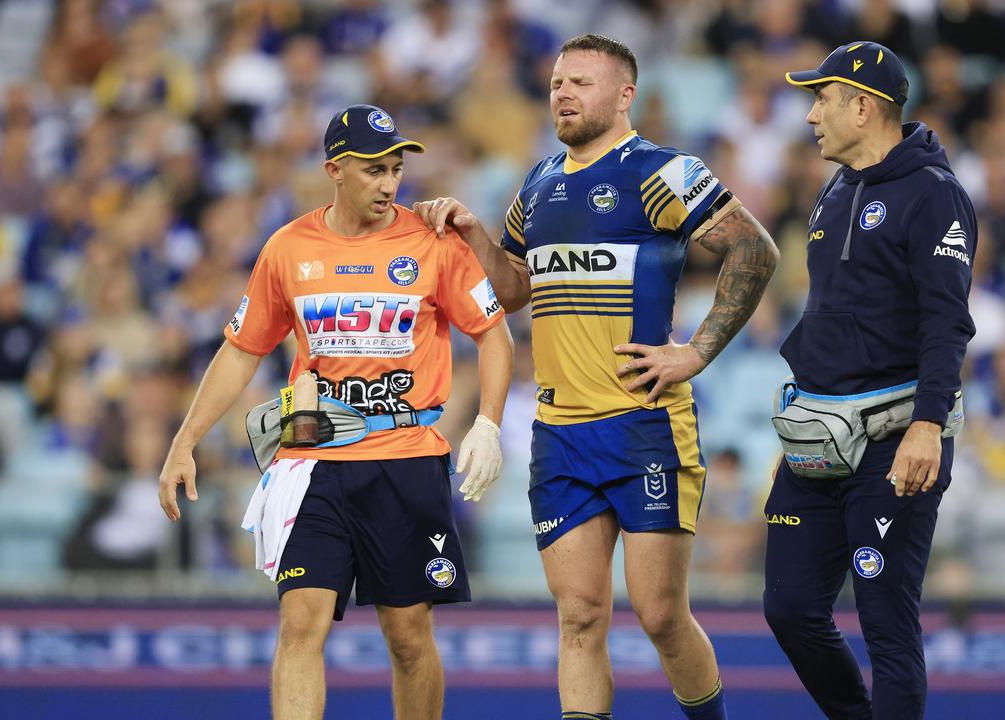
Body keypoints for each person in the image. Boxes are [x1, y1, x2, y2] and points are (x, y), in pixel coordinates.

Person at [415, 34, 778, 720]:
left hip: (645, 425)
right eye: (556, 82)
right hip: (561, 434)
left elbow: (754, 250)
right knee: (579, 617)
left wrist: (696, 351)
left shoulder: (663, 171)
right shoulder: (539, 182)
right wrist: (473, 234)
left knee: (661, 615)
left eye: (580, 82)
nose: (563, 93)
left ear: (623, 95)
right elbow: (515, 287)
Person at [157, 104, 513, 720]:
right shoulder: (288, 247)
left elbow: (494, 334)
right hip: (311, 459)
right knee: (301, 623)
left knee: (407, 638)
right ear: (335, 170)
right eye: (374, 169)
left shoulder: (432, 241)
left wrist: (487, 423)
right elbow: (243, 350)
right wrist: (184, 440)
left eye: (396, 169)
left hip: (405, 459)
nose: (389, 183)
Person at [766, 42, 977, 719]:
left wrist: (927, 427)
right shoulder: (836, 189)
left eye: (821, 99)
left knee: (886, 622)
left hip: (895, 438)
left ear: (863, 107)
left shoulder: (934, 196)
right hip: (820, 436)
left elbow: (948, 325)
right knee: (790, 608)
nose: (810, 116)